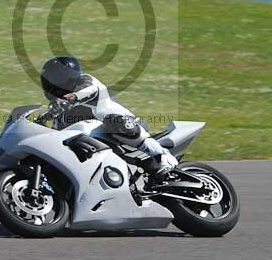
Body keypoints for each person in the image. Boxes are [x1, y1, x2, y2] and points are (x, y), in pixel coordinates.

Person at [39, 56, 178, 175]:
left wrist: (69, 98)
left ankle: (162, 156)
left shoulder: (86, 83)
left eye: (56, 77)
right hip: (98, 143)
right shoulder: (59, 111)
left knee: (114, 122)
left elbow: (87, 91)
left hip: (126, 127)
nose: (52, 83)